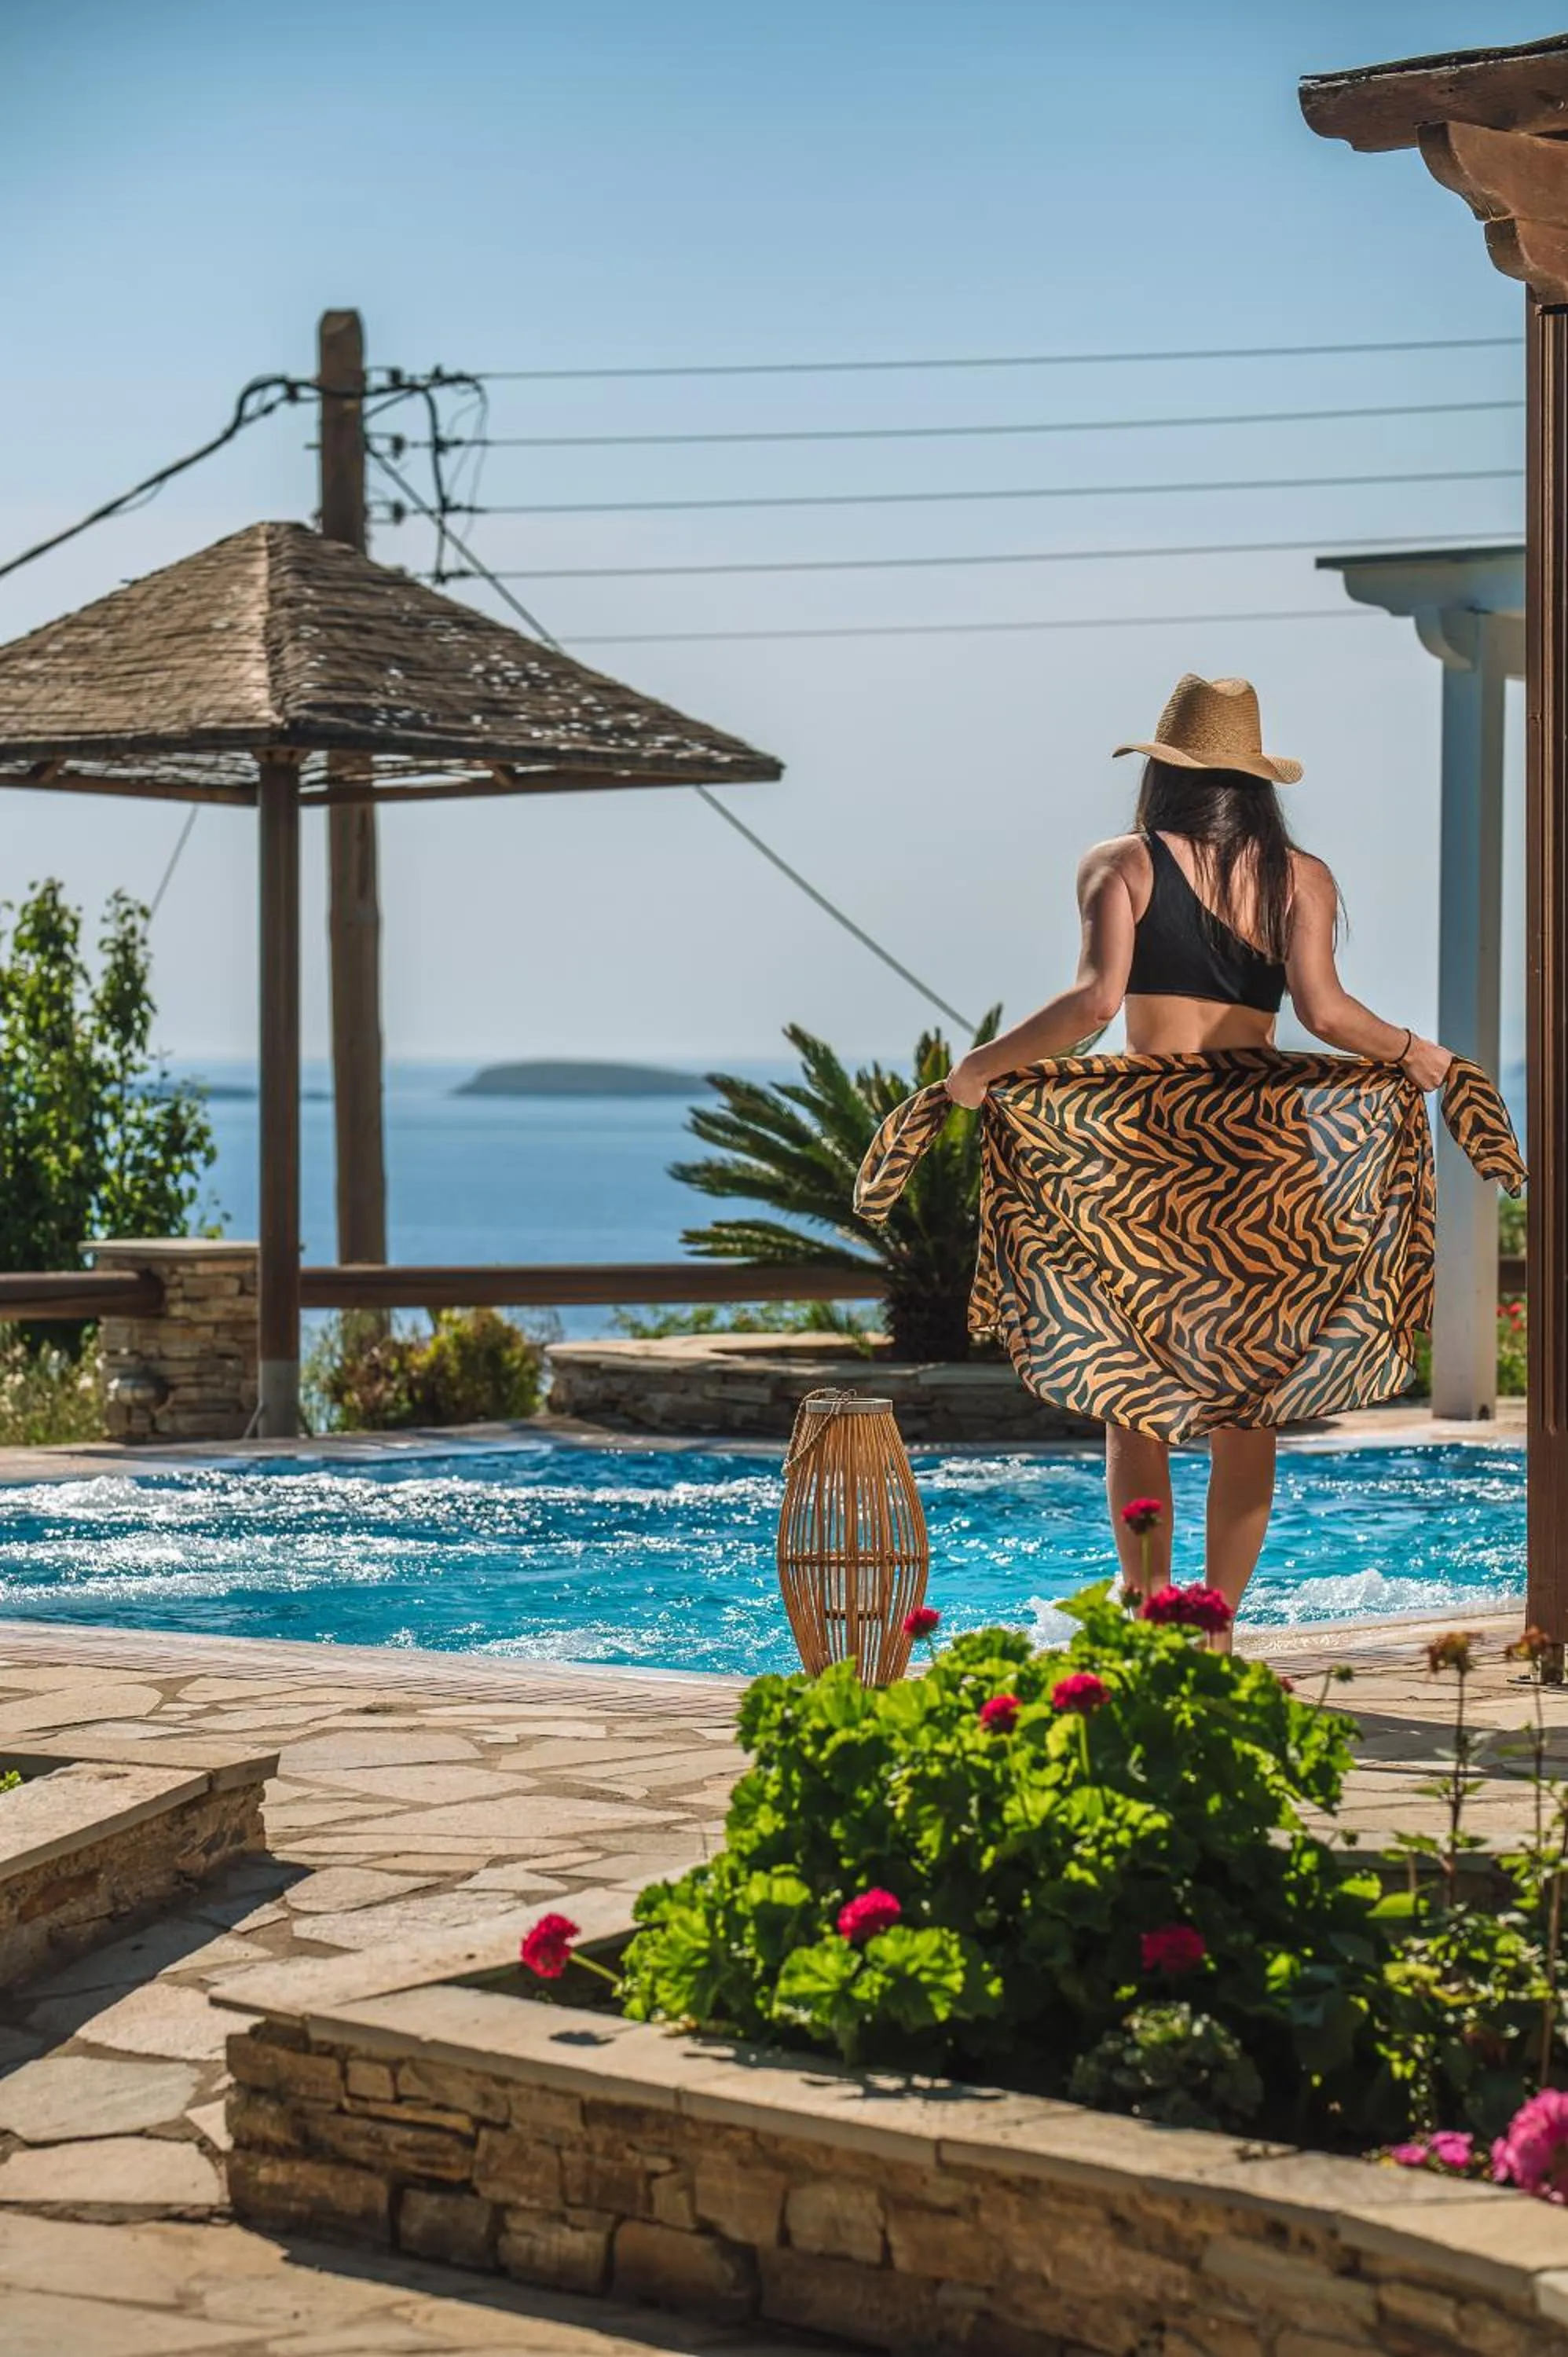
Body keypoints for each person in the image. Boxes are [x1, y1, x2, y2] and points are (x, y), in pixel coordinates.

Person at [943, 674, 1455, 1644]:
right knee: (1245, 1407)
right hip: (1267, 1162)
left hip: (1152, 1159)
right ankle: (1214, 1629)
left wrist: (980, 1068)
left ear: (1163, 773)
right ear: (1256, 782)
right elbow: (1326, 1013)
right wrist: (1413, 1052)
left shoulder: (1120, 863)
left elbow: (1095, 1004)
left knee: (1132, 1401)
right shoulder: (1300, 874)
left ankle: (1146, 1621)